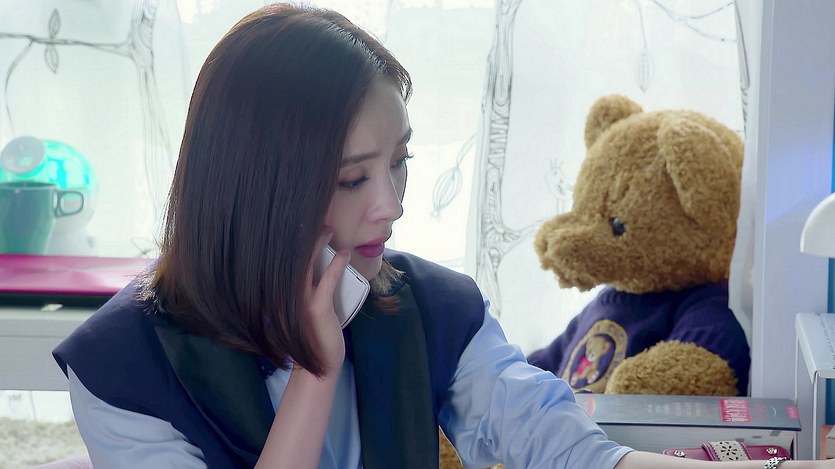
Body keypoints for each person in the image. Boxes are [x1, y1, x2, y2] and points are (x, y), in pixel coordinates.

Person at [52, 3, 833, 469]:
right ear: (256, 190)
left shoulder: (430, 303)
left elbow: (567, 448)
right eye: (353, 179)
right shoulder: (120, 366)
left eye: (399, 163)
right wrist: (318, 370)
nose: (390, 206)